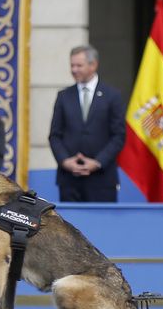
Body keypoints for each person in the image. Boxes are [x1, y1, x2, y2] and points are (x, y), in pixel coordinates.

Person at [48, 45, 126, 202]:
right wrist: (65, 161)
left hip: (102, 179)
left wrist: (98, 162)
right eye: (72, 65)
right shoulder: (63, 96)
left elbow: (118, 136)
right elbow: (55, 135)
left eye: (79, 65)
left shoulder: (112, 96)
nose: (74, 70)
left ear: (93, 65)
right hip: (69, 180)